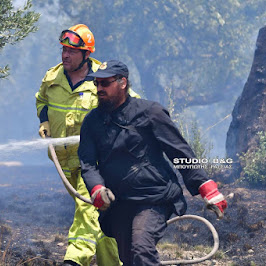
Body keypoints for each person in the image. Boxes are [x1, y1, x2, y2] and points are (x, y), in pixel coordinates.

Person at [78, 60, 228, 265]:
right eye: (97, 84)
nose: (99, 89)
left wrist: (207, 188)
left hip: (154, 197)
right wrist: (96, 188)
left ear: (123, 83)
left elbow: (179, 152)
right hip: (119, 202)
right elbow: (87, 163)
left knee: (142, 248)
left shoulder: (150, 113)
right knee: (129, 259)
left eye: (105, 83)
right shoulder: (91, 122)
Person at [35, 25, 139, 266]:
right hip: (65, 160)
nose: (65, 55)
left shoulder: (104, 79)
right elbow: (41, 100)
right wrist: (44, 121)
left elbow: (132, 105)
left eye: (71, 51)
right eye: (63, 49)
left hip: (97, 161)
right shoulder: (52, 78)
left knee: (86, 206)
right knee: (100, 215)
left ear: (86, 54)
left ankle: (74, 259)